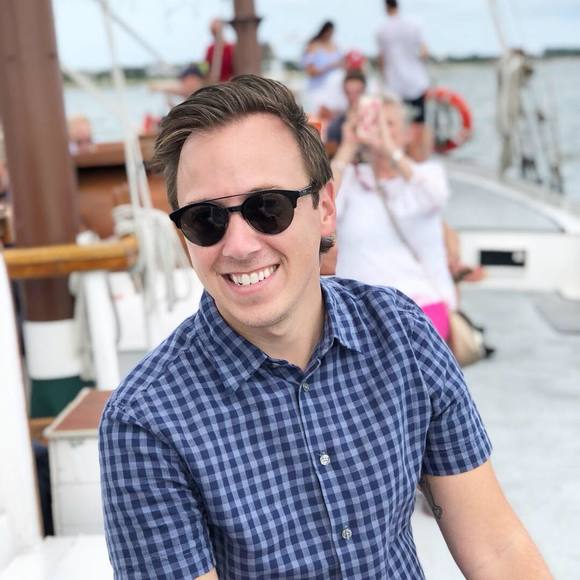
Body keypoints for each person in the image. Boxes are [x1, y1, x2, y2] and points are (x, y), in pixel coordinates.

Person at [99, 75, 550, 579]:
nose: (240, 246)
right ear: (185, 237)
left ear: (326, 209)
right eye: (206, 219)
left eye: (268, 207)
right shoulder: (146, 421)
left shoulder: (401, 333)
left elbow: (497, 548)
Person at [330, 92, 455, 339]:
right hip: (359, 312)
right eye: (374, 122)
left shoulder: (426, 174)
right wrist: (347, 147)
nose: (381, 130)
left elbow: (435, 196)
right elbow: (319, 209)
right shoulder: (350, 179)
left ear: (408, 133)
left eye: (389, 124)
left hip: (418, 306)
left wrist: (390, 150)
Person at [377, 0, 432, 161]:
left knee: (398, 122)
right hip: (416, 82)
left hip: (394, 85)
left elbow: (382, 59)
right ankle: (420, 158)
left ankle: (402, 156)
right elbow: (424, 52)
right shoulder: (414, 24)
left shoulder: (382, 30)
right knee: (419, 122)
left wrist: (384, 79)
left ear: (386, 7)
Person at [302, 21, 346, 119]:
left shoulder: (336, 46)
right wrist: (329, 66)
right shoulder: (313, 46)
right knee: (317, 118)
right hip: (318, 89)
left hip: (334, 90)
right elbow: (310, 71)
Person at [325, 69, 367, 159]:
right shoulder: (336, 124)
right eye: (349, 93)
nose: (353, 97)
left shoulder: (376, 121)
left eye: (358, 92)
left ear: (364, 91)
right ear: (344, 92)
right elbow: (330, 154)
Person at [205, 18, 235, 83]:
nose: (215, 33)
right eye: (214, 31)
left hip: (229, 83)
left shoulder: (231, 48)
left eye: (218, 31)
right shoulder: (210, 50)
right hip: (216, 83)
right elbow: (207, 69)